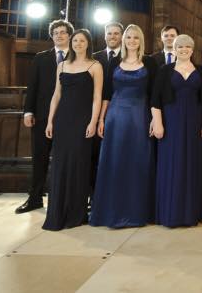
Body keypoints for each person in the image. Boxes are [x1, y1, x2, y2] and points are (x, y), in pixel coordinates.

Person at [90, 24, 158, 228]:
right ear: (123, 39)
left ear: (141, 40)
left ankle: (138, 212)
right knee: (115, 161)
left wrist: (155, 119)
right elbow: (107, 95)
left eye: (136, 37)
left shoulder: (150, 62)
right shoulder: (114, 63)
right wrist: (101, 119)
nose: (131, 41)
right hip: (115, 118)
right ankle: (111, 211)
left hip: (140, 117)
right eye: (128, 37)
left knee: (138, 162)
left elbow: (155, 94)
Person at [150, 34, 202, 227]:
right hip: (171, 122)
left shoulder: (201, 71)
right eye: (180, 47)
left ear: (192, 50)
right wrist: (158, 123)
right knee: (172, 163)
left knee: (191, 164)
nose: (184, 49)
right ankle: (170, 212)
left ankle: (189, 213)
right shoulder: (165, 70)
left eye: (187, 47)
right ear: (174, 49)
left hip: (194, 122)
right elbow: (155, 100)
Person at [42, 29, 103, 230]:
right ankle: (57, 212)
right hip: (63, 120)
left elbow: (97, 98)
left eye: (82, 40)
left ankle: (76, 213)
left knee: (78, 165)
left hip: (83, 120)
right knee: (60, 166)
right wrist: (50, 121)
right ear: (71, 42)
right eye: (75, 40)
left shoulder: (95, 66)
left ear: (88, 43)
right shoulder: (61, 66)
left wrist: (93, 122)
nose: (78, 43)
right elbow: (56, 95)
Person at [16, 19, 74, 214]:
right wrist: (28, 111)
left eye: (63, 32)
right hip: (41, 116)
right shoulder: (41, 58)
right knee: (39, 158)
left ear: (69, 35)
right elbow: (32, 86)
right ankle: (35, 198)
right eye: (56, 32)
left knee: (66, 158)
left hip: (68, 116)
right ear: (52, 35)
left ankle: (63, 198)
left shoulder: (77, 57)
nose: (59, 35)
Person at [90, 22, 123, 202]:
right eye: (109, 33)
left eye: (116, 33)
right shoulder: (94, 58)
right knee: (94, 156)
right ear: (104, 35)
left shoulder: (128, 57)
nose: (112, 36)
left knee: (115, 155)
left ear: (121, 36)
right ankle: (94, 197)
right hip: (95, 114)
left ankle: (114, 196)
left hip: (120, 112)